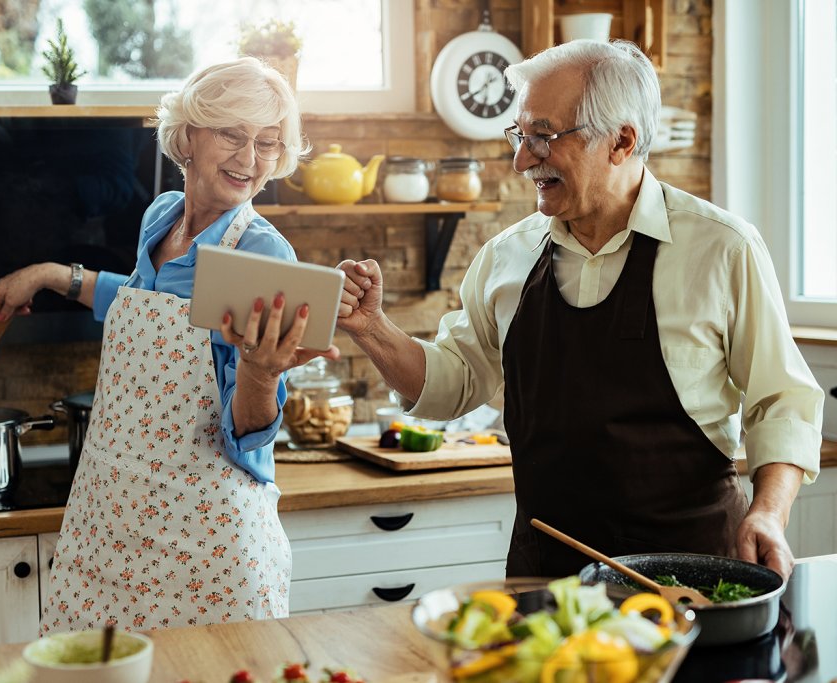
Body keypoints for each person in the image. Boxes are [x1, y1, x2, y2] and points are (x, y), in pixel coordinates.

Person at [336, 39, 823, 580]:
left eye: (543, 137)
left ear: (621, 140)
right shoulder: (506, 256)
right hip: (547, 577)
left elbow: (784, 402)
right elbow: (455, 381)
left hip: (691, 578)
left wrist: (769, 513)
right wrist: (373, 329)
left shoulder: (722, 248)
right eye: (520, 136)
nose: (523, 160)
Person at [0, 57, 338, 632]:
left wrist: (261, 371)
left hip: (203, 544)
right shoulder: (162, 217)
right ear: (189, 136)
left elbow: (250, 433)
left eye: (268, 144)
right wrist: (55, 274)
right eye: (232, 134)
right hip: (112, 522)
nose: (250, 160)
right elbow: (136, 301)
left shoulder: (261, 254)